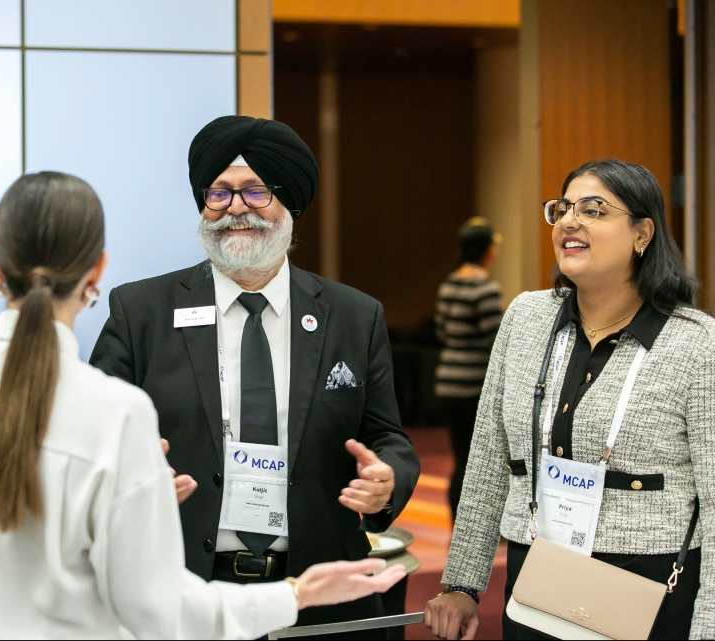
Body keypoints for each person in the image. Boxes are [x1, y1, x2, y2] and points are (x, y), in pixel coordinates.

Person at [0, 171, 407, 640]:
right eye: (220, 192)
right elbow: (158, 610)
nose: (237, 205)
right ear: (96, 271)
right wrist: (295, 595)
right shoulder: (113, 411)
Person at [90, 115, 420, 635]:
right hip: (181, 591)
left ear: (290, 204)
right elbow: (92, 435)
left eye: (255, 191)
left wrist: (387, 482)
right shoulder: (141, 311)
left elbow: (387, 438)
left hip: (319, 591)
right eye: (218, 193)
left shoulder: (354, 316)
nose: (236, 208)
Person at [425, 159, 714, 640]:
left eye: (595, 210)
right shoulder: (526, 318)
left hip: (647, 585)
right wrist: (463, 582)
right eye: (563, 208)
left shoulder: (696, 344)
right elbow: (488, 460)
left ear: (642, 234)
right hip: (537, 572)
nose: (569, 221)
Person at [434, 217, 502, 521]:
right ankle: (475, 525)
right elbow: (497, 342)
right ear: (487, 251)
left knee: (460, 457)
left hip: (447, 381)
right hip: (474, 384)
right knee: (477, 461)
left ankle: (456, 523)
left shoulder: (449, 283)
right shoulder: (485, 288)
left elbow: (441, 331)